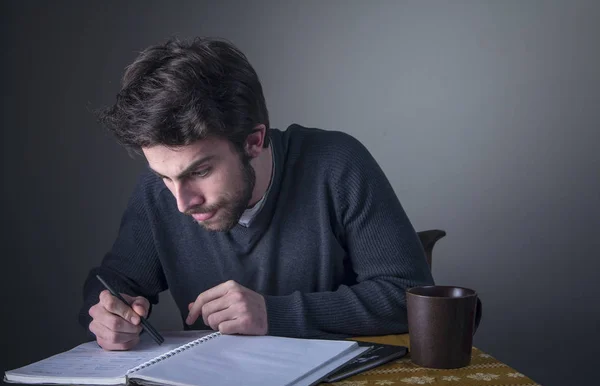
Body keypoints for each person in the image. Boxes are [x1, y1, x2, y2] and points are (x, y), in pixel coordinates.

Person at [78, 36, 435, 351]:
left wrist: (272, 314)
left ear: (253, 141)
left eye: (200, 171)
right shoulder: (159, 192)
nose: (182, 202)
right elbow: (113, 282)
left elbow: (408, 297)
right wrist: (108, 312)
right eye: (165, 178)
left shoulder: (337, 164)